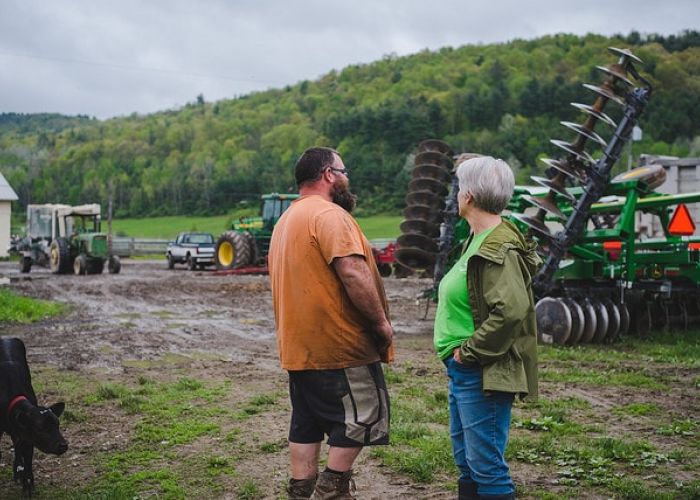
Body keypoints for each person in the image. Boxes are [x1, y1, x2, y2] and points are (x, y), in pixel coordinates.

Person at [268, 146, 394, 499]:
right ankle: (331, 489)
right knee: (367, 414)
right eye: (344, 170)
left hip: (298, 348)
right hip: (339, 348)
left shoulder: (285, 221)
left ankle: (301, 492)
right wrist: (381, 325)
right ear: (328, 174)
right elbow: (353, 272)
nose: (346, 178)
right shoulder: (330, 216)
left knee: (306, 423)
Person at [433, 156, 539, 500]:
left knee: (487, 467)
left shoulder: (497, 247)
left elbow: (511, 310)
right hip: (463, 370)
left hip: (481, 370)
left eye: (461, 186)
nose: (457, 194)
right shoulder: (477, 240)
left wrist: (470, 352)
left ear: (471, 196)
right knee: (468, 462)